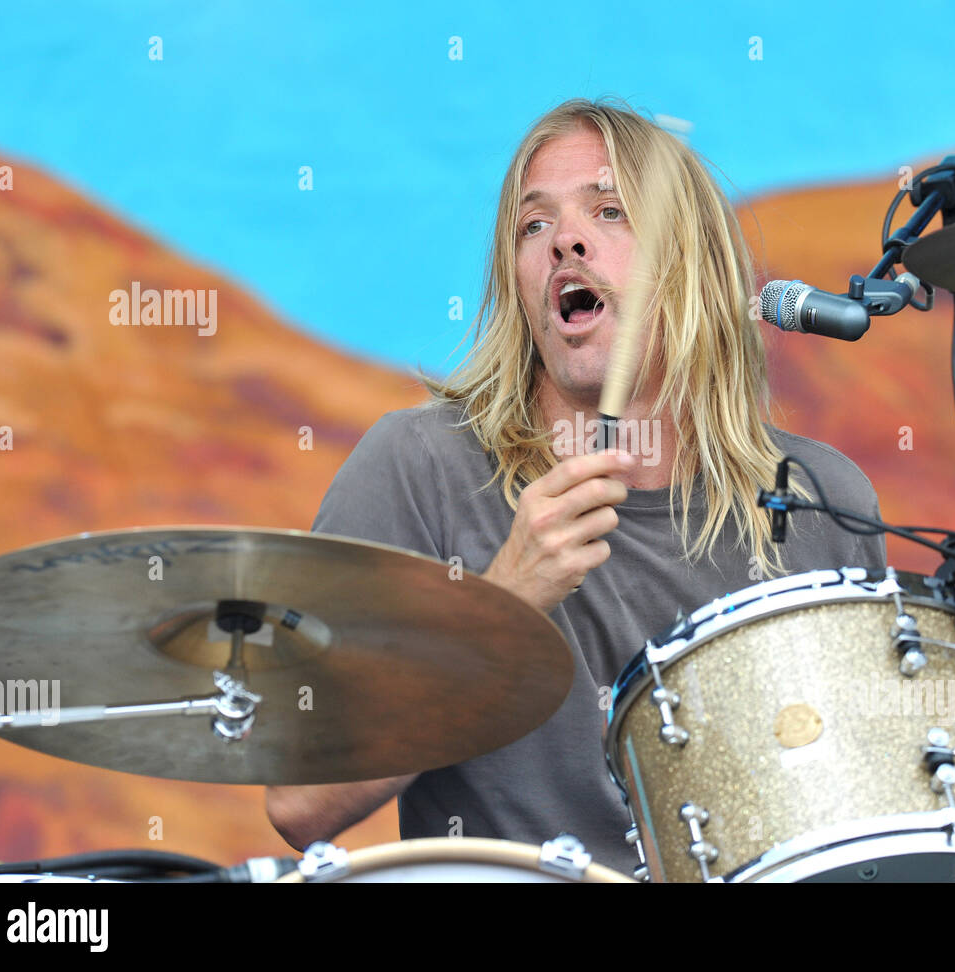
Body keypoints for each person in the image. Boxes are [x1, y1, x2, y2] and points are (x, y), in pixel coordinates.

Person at [265, 97, 885, 876]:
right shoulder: (420, 467)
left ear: (694, 265)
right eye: (534, 226)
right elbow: (298, 799)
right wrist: (503, 605)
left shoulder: (819, 497)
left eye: (610, 210)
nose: (565, 239)